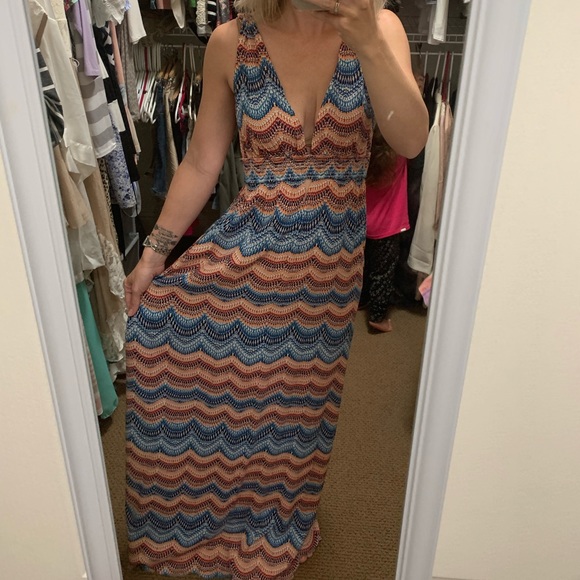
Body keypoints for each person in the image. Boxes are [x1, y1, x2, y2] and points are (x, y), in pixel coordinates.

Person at [123, 0, 428, 577]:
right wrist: (154, 256)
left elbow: (411, 140)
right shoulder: (231, 42)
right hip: (251, 254)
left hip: (328, 277)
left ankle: (276, 524)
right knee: (211, 381)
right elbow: (202, 161)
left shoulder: (380, 27)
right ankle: (197, 526)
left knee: (299, 415)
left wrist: (367, 41)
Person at [360, 127, 409, 332]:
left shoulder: (363, 155)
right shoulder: (401, 154)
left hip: (361, 222)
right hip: (388, 226)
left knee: (362, 266)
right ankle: (378, 317)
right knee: (382, 273)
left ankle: (360, 299)